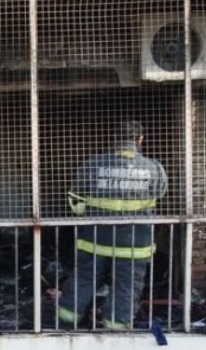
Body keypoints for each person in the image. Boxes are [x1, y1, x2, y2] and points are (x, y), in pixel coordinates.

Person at [59, 121, 168, 329]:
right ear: (140, 139)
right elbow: (160, 194)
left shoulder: (92, 165)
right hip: (135, 243)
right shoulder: (154, 168)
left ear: (115, 139)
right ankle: (116, 327)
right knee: (126, 286)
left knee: (83, 278)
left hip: (95, 239)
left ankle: (64, 321)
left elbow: (74, 200)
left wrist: (90, 215)